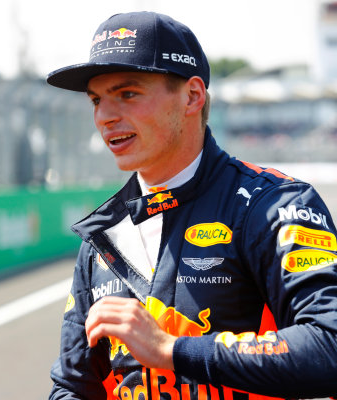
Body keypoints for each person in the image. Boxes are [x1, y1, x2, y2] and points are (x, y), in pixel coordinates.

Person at [46, 11, 337, 400]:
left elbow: (329, 345)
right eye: (97, 100)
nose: (105, 116)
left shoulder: (275, 206)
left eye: (127, 94)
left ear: (192, 96)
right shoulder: (104, 235)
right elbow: (71, 386)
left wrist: (170, 350)